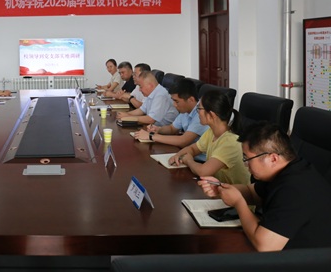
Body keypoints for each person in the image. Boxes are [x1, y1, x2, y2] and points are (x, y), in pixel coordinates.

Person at [198, 122, 331, 251]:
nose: (246, 165)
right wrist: (220, 188)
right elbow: (251, 193)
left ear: (272, 158)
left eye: (247, 159)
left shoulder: (295, 189)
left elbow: (265, 246)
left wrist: (238, 203)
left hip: (305, 259)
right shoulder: (287, 169)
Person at [169, 90, 250, 184]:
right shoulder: (211, 132)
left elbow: (203, 171)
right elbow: (193, 149)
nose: (197, 112)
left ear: (211, 115)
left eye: (199, 109)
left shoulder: (230, 142)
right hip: (216, 186)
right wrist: (178, 155)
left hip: (234, 191)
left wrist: (189, 160)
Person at [134, 78, 207, 147]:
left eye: (176, 101)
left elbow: (183, 140)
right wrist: (158, 129)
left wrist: (151, 136)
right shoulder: (185, 111)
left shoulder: (201, 114)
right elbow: (172, 128)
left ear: (190, 100)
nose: (174, 105)